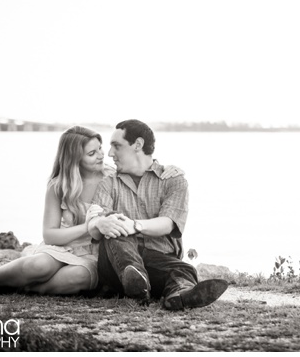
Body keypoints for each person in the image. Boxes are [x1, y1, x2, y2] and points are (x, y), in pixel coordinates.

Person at [0, 125, 183, 295]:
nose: (103, 155)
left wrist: (169, 169)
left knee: (75, 278)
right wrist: (89, 227)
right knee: (39, 266)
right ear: (73, 159)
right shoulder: (59, 186)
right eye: (92, 153)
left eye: (101, 148)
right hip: (62, 247)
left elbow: (144, 167)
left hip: (96, 253)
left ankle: (16, 285)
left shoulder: (114, 176)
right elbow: (50, 235)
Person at [86, 119, 228, 310]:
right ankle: (136, 278)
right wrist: (100, 223)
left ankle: (179, 295)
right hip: (115, 266)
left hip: (158, 262)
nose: (110, 153)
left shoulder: (173, 180)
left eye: (116, 146)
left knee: (183, 270)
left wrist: (134, 225)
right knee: (113, 220)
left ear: (138, 145)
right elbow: (95, 220)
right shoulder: (108, 183)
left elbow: (169, 223)